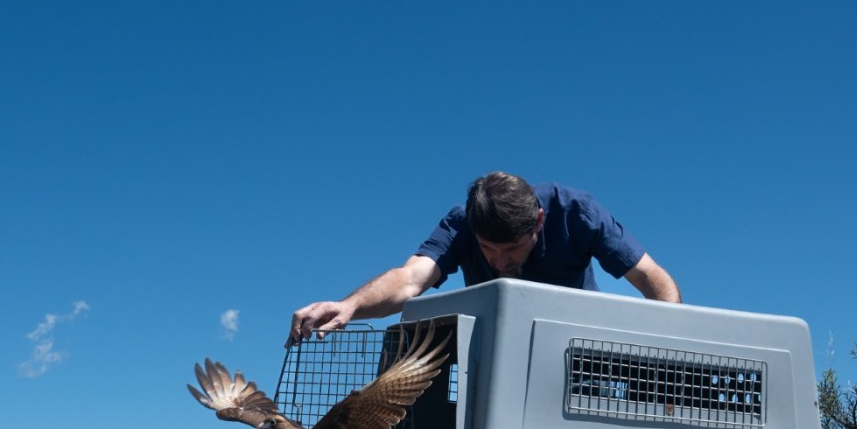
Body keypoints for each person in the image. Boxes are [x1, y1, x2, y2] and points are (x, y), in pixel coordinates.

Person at [286, 172, 681, 346]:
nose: (498, 261)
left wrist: (668, 358)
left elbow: (653, 279)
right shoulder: (460, 223)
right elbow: (409, 280)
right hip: (498, 355)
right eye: (488, 250)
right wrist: (350, 305)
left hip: (577, 356)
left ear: (538, 222)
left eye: (511, 250)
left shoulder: (575, 211)